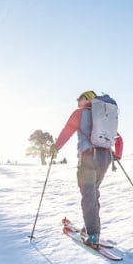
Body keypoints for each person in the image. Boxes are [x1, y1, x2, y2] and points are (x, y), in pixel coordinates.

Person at [53, 90, 124, 248]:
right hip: (105, 158)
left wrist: (55, 148)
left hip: (88, 158)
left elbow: (67, 131)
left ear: (87, 99)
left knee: (88, 196)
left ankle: (92, 235)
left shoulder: (80, 113)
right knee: (93, 193)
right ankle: (91, 228)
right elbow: (119, 139)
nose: (78, 101)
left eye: (80, 98)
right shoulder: (103, 116)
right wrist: (117, 155)